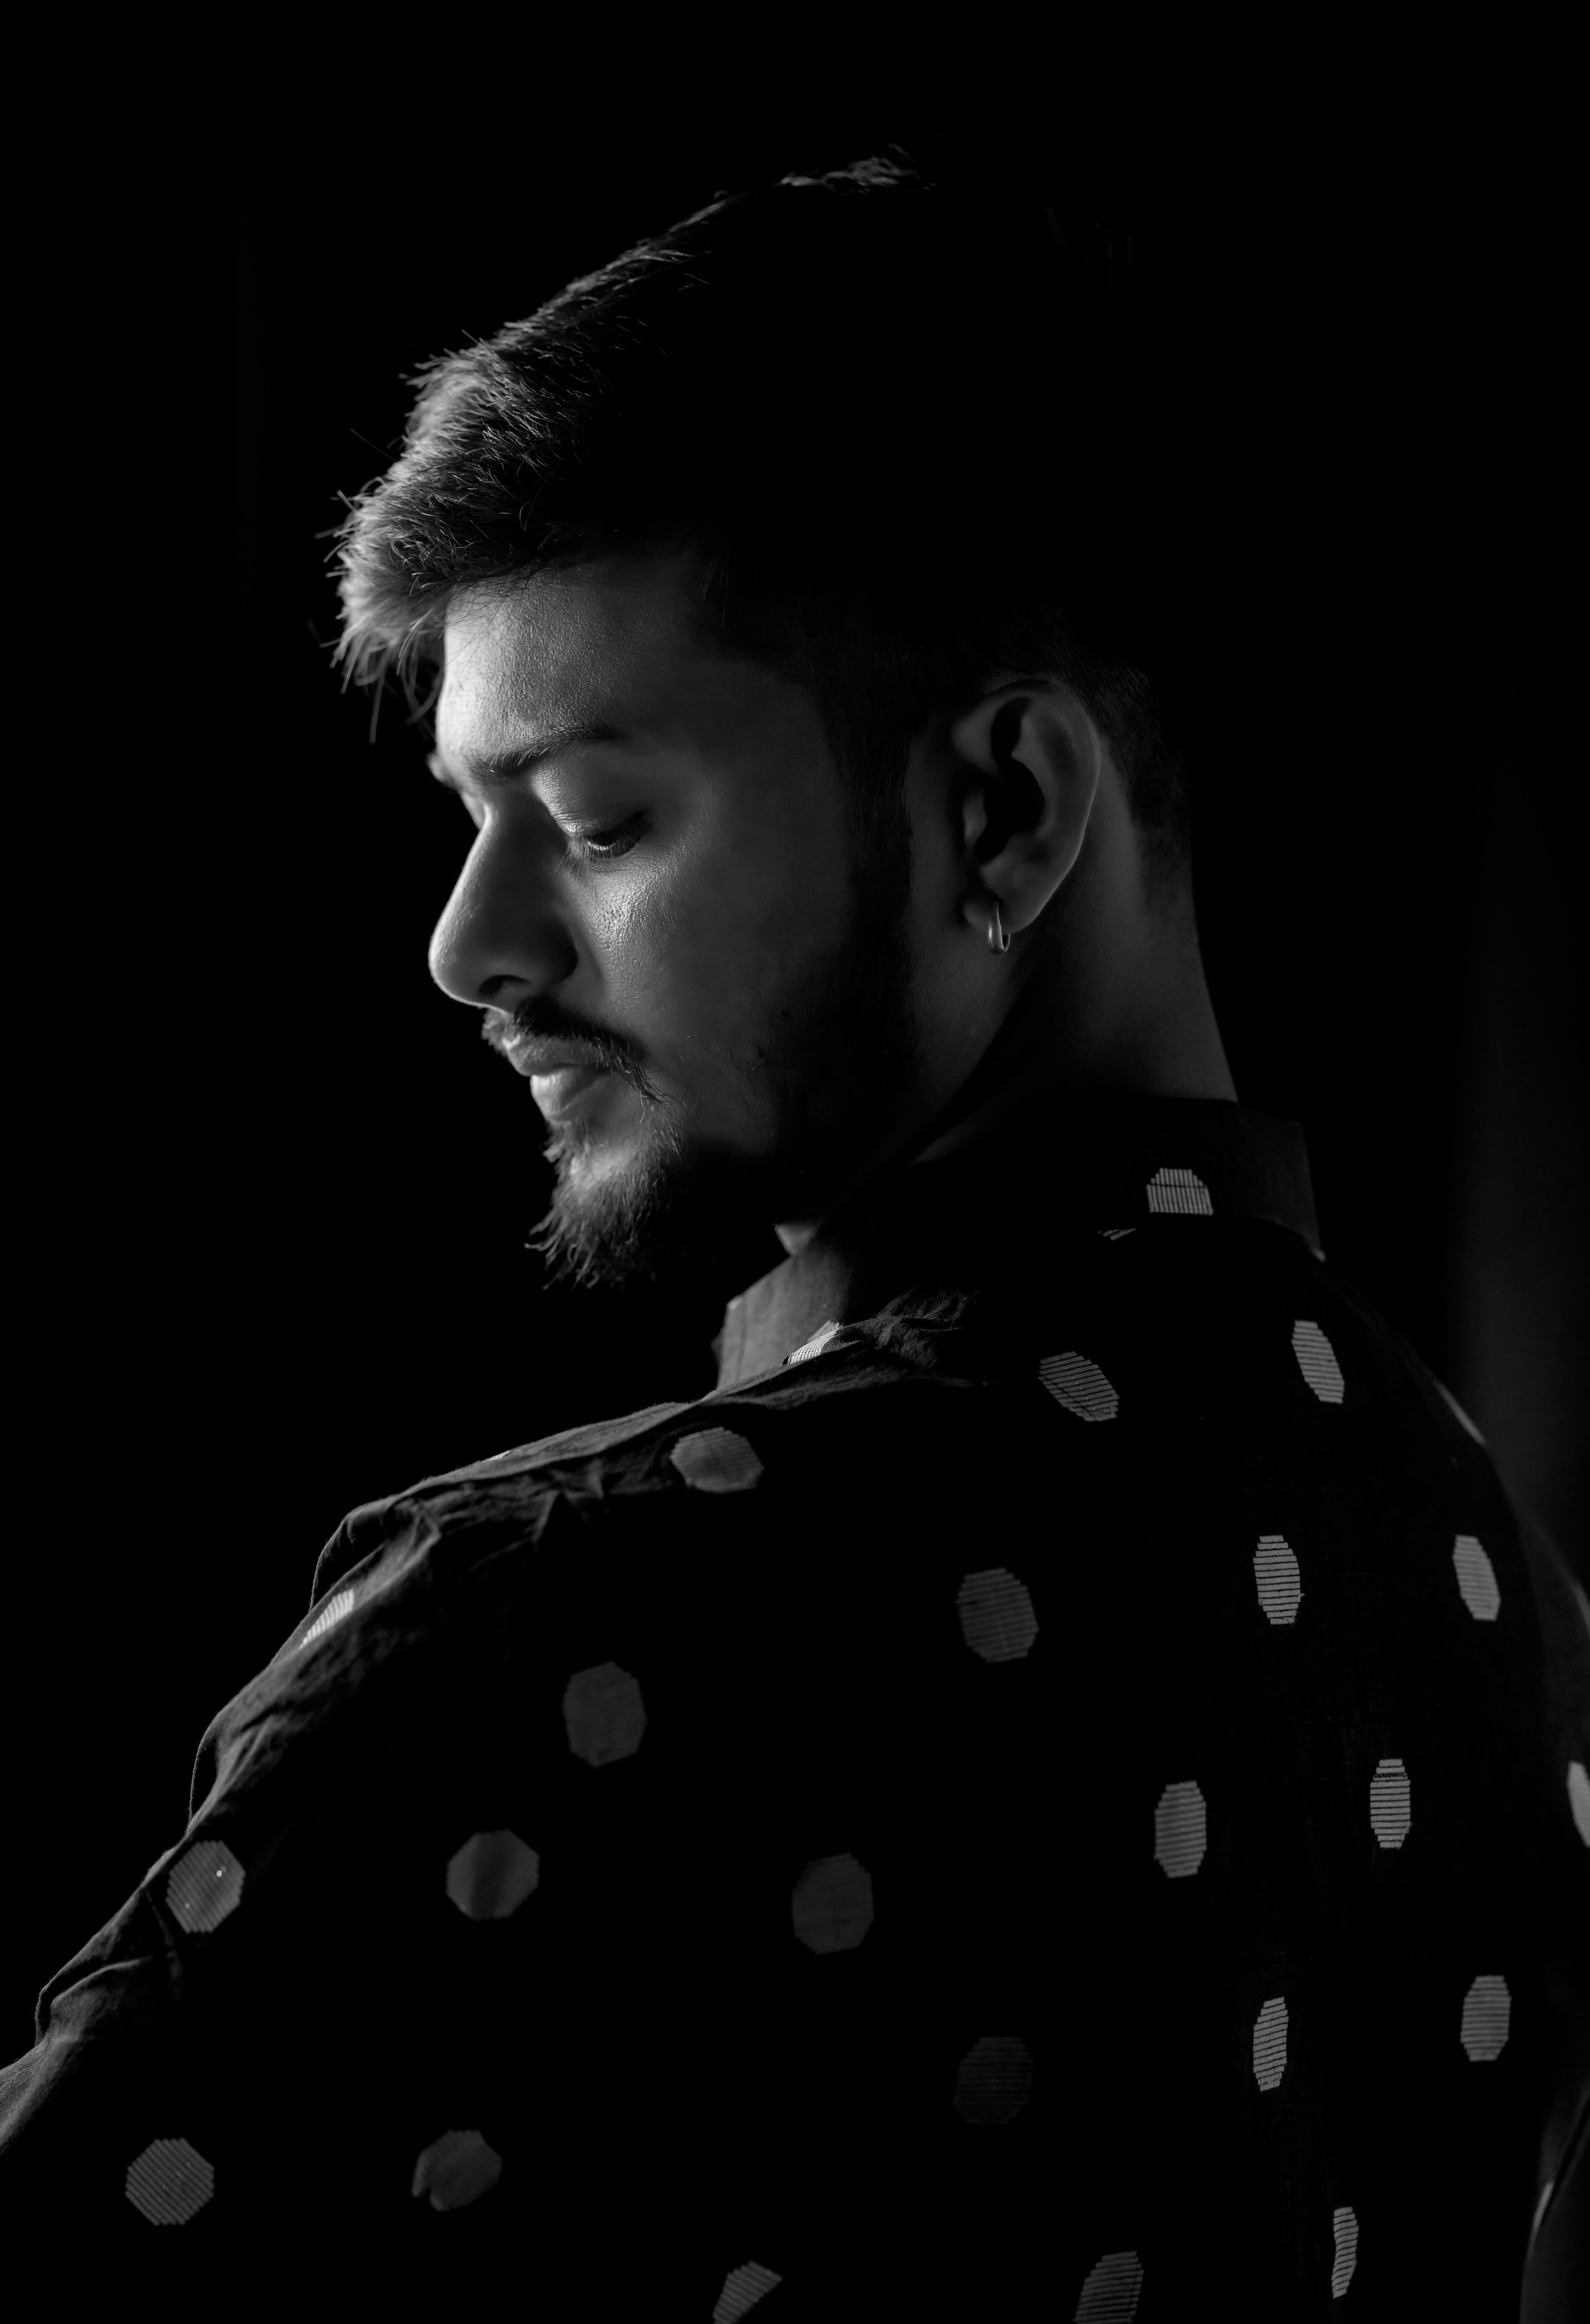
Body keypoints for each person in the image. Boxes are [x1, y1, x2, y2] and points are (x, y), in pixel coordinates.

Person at [2, 147, 1585, 2318]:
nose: (469, 946)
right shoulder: (1477, 1565)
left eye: (593, 818)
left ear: (1004, 809)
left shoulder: (562, 1619)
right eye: (472, 825)